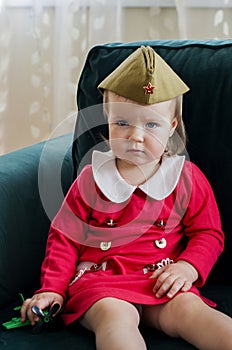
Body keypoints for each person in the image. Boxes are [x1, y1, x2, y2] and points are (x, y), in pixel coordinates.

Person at [21, 46, 232, 350]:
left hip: (162, 278)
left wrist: (188, 267)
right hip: (102, 283)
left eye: (151, 125)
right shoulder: (92, 179)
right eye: (122, 123)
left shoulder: (186, 178)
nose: (135, 136)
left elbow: (208, 233)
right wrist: (52, 289)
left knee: (192, 311)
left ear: (171, 127)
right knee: (115, 316)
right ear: (106, 122)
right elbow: (64, 239)